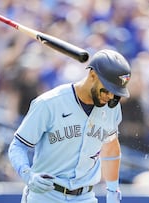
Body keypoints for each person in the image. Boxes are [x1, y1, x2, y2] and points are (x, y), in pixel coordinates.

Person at [8, 49, 132, 203]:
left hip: (85, 196)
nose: (111, 96)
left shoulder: (112, 108)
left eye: (116, 93)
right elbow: (18, 146)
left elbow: (111, 148)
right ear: (92, 75)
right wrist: (28, 174)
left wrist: (113, 191)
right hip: (46, 194)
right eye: (107, 89)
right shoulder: (49, 103)